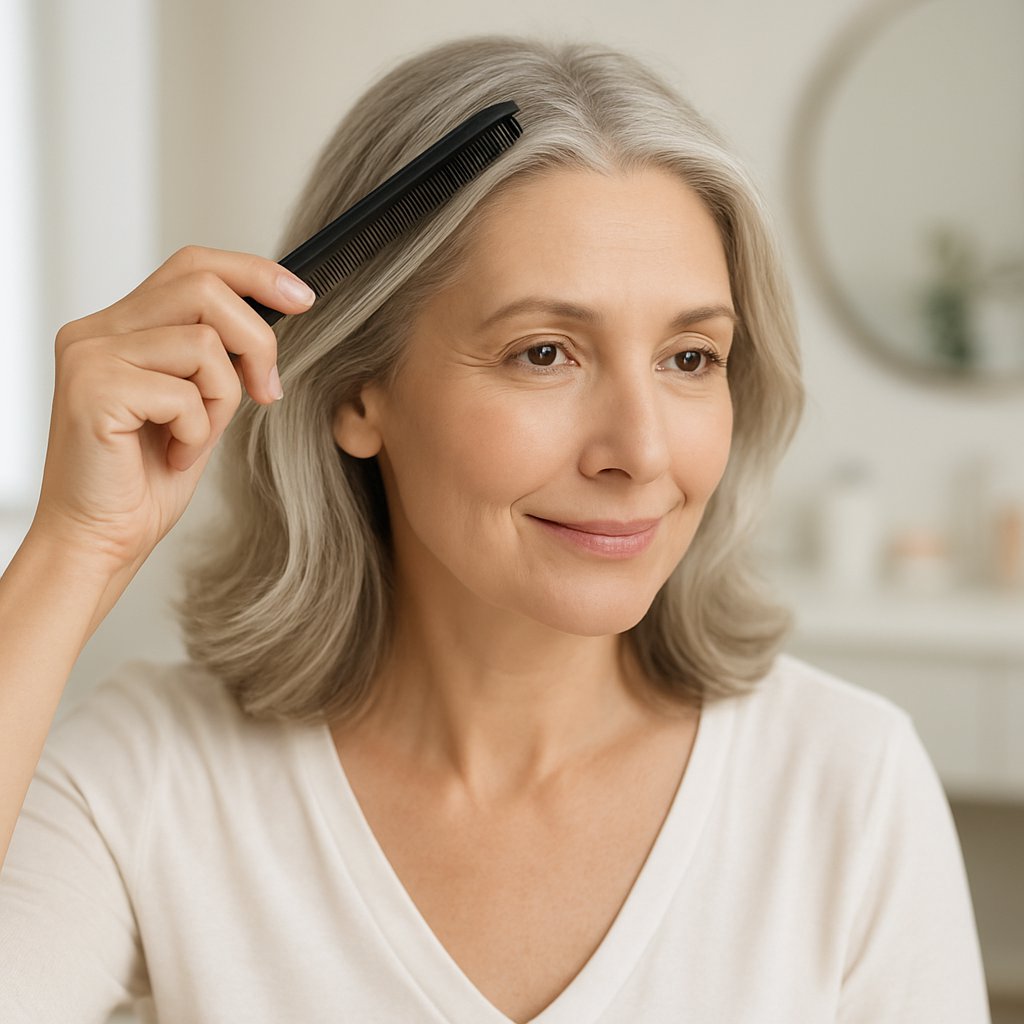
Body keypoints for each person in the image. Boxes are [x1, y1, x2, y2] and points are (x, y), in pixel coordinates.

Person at [0, 33, 990, 1024]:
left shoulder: (846, 786)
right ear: (356, 391)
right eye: (544, 352)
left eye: (689, 359)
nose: (639, 451)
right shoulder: (149, 774)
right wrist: (72, 548)